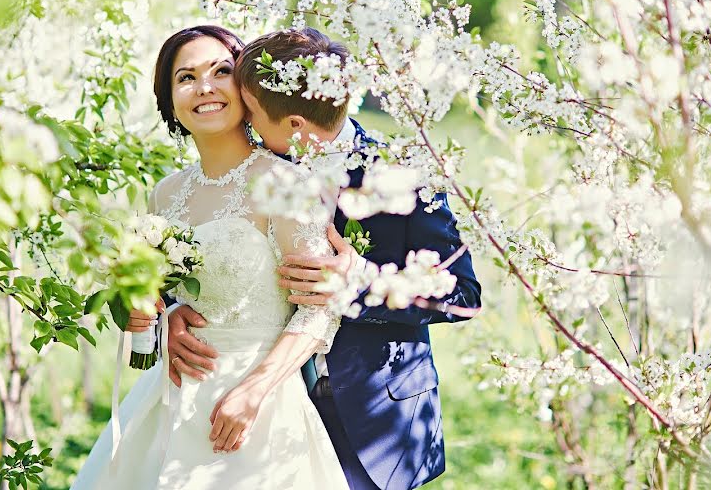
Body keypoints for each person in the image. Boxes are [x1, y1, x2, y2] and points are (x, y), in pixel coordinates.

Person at [155, 27, 482, 489]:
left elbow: (463, 294)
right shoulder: (258, 166)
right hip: (262, 404)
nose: (244, 116)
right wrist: (174, 311)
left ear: (293, 123)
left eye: (251, 108)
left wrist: (361, 280)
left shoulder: (406, 174)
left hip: (377, 419)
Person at [72, 25, 349, 490]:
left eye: (221, 71)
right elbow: (162, 297)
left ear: (245, 88)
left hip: (258, 410)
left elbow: (320, 307)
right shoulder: (166, 194)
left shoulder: (286, 184)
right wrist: (163, 316)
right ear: (171, 102)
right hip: (170, 397)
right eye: (186, 77)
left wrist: (255, 390)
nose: (204, 87)